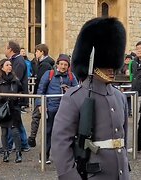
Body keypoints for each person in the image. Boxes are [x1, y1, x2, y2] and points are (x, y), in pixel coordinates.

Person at [51, 17, 129, 180]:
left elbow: (122, 140)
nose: (111, 69)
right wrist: (70, 176)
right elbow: (61, 143)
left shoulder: (119, 97)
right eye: (105, 65)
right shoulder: (74, 97)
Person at [35, 54, 78, 163]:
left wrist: (70, 90)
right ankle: (44, 156)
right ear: (57, 64)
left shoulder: (71, 76)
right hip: (51, 108)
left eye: (66, 64)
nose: (63, 66)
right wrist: (40, 105)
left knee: (66, 133)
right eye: (61, 64)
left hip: (65, 109)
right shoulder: (49, 74)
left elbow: (77, 91)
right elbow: (41, 90)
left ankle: (65, 157)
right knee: (48, 132)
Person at [0, 59, 23, 163]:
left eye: (10, 65)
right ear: (2, 67)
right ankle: (5, 152)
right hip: (2, 108)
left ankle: (18, 152)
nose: (10, 66)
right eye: (7, 65)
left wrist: (19, 99)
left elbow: (21, 90)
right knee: (4, 131)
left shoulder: (15, 79)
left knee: (15, 131)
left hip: (13, 108)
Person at [4, 40, 30, 152]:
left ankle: (12, 145)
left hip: (16, 96)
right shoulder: (15, 60)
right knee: (16, 121)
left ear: (10, 49)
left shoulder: (18, 61)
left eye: (6, 48)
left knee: (14, 121)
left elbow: (15, 79)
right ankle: (22, 143)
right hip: (15, 95)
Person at [28, 43, 55, 147]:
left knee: (36, 116)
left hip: (42, 94)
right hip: (44, 93)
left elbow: (41, 81)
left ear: (42, 52)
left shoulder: (45, 65)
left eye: (37, 51)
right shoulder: (43, 63)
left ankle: (33, 137)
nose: (35, 53)